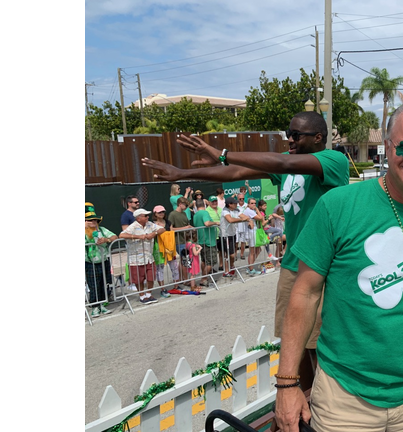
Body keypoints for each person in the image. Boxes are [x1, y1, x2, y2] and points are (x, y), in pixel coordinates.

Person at [274, 100, 403, 432]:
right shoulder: (338, 205)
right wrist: (287, 384)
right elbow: (304, 295)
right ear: (388, 147)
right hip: (344, 399)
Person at [141, 110, 349, 391]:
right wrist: (184, 173)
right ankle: (302, 398)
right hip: (292, 265)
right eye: (288, 134)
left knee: (321, 345)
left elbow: (278, 163)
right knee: (293, 342)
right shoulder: (287, 163)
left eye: (296, 135)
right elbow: (237, 172)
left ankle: (325, 402)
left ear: (319, 137)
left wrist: (223, 152)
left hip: (322, 268)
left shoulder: (333, 161)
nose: (289, 140)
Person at [119, 208, 166, 304]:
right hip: (136, 258)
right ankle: (142, 295)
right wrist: (138, 237)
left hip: (149, 256)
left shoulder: (150, 224)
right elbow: (121, 235)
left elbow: (162, 229)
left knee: (151, 276)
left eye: (148, 215)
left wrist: (154, 233)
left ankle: (149, 294)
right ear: (138, 218)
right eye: (145, 216)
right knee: (138, 278)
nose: (147, 217)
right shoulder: (133, 226)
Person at [86, 203, 117, 317]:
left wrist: (106, 239)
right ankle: (95, 306)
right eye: (90, 220)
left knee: (103, 283)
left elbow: (115, 236)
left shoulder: (102, 230)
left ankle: (102, 304)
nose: (93, 222)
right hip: (90, 263)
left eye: (95, 220)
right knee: (93, 284)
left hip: (103, 261)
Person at [152, 205, 179, 297]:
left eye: (163, 212)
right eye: (159, 212)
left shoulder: (168, 222)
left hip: (169, 247)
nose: (161, 214)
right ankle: (163, 289)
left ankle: (176, 285)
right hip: (159, 248)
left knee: (174, 267)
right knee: (160, 269)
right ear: (155, 213)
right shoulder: (152, 224)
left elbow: (171, 233)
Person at [220, 196, 251, 276]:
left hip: (232, 234)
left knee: (232, 254)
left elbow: (244, 216)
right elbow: (230, 220)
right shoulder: (225, 211)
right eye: (234, 203)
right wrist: (242, 220)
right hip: (225, 235)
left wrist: (248, 219)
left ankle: (231, 266)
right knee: (228, 254)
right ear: (230, 204)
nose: (236, 204)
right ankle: (226, 271)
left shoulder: (236, 210)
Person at [192, 198, 218, 286]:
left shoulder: (195, 215)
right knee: (210, 262)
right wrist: (215, 223)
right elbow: (207, 223)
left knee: (204, 260)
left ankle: (205, 277)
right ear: (205, 205)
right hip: (208, 241)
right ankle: (203, 278)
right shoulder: (205, 213)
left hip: (201, 240)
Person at [168, 197, 193, 284]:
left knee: (183, 260)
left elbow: (187, 225)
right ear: (180, 204)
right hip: (178, 240)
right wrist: (185, 228)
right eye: (185, 205)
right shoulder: (172, 214)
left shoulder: (184, 214)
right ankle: (185, 280)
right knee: (185, 259)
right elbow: (171, 229)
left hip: (185, 239)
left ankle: (181, 278)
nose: (186, 207)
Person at [206, 195, 224, 272]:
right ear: (209, 202)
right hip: (212, 234)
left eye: (215, 201)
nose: (214, 203)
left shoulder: (220, 209)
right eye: (212, 202)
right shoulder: (207, 210)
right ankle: (211, 267)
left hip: (221, 233)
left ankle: (221, 265)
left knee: (221, 250)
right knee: (212, 252)